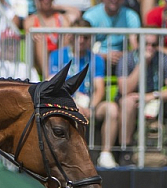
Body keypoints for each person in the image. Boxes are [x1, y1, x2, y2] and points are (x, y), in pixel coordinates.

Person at [49, 19, 121, 168]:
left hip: (88, 103)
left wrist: (91, 107)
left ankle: (106, 154)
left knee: (112, 109)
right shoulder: (57, 56)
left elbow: (99, 88)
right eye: (77, 36)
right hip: (65, 101)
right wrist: (72, 103)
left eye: (86, 37)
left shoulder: (96, 59)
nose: (81, 40)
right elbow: (51, 83)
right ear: (70, 36)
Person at [116, 35, 167, 166]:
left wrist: (153, 96)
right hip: (134, 101)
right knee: (127, 102)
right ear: (138, 44)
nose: (150, 48)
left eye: (153, 44)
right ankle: (125, 152)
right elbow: (124, 89)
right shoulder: (127, 59)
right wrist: (142, 64)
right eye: (146, 44)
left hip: (156, 101)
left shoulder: (163, 58)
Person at [82, 0, 141, 67]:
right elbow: (83, 45)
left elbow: (135, 46)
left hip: (123, 60)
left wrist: (124, 56)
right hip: (94, 58)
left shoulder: (131, 16)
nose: (114, 0)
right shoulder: (90, 16)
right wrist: (104, 56)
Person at [25, 0, 70, 79]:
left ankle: (62, 74)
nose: (46, 0)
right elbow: (28, 33)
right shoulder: (31, 20)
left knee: (66, 36)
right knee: (39, 37)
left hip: (57, 55)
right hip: (37, 59)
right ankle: (48, 78)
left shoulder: (61, 18)